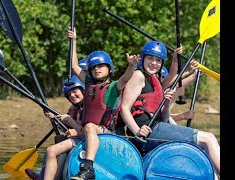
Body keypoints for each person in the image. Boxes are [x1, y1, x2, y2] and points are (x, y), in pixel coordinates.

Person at [119, 41, 220, 177]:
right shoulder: (138, 76)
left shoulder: (154, 81)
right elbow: (124, 108)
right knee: (208, 138)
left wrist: (176, 61)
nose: (154, 63)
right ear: (143, 58)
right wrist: (137, 131)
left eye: (158, 60)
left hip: (157, 127)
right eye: (150, 58)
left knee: (203, 144)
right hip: (147, 132)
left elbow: (166, 116)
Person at [68, 27, 140, 179]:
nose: (97, 69)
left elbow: (125, 79)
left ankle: (88, 168)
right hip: (89, 131)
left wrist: (131, 65)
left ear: (109, 68)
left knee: (89, 126)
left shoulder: (113, 87)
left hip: (107, 132)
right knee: (55, 147)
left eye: (100, 66)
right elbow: (74, 66)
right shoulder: (89, 83)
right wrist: (73, 41)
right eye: (93, 67)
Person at [25, 64, 88, 180]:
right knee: (59, 139)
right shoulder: (74, 109)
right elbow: (69, 128)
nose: (72, 95)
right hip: (78, 137)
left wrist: (70, 123)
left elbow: (85, 130)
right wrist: (55, 119)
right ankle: (45, 175)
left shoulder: (88, 107)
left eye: (75, 91)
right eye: (69, 95)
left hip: (85, 139)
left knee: (51, 150)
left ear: (83, 90)